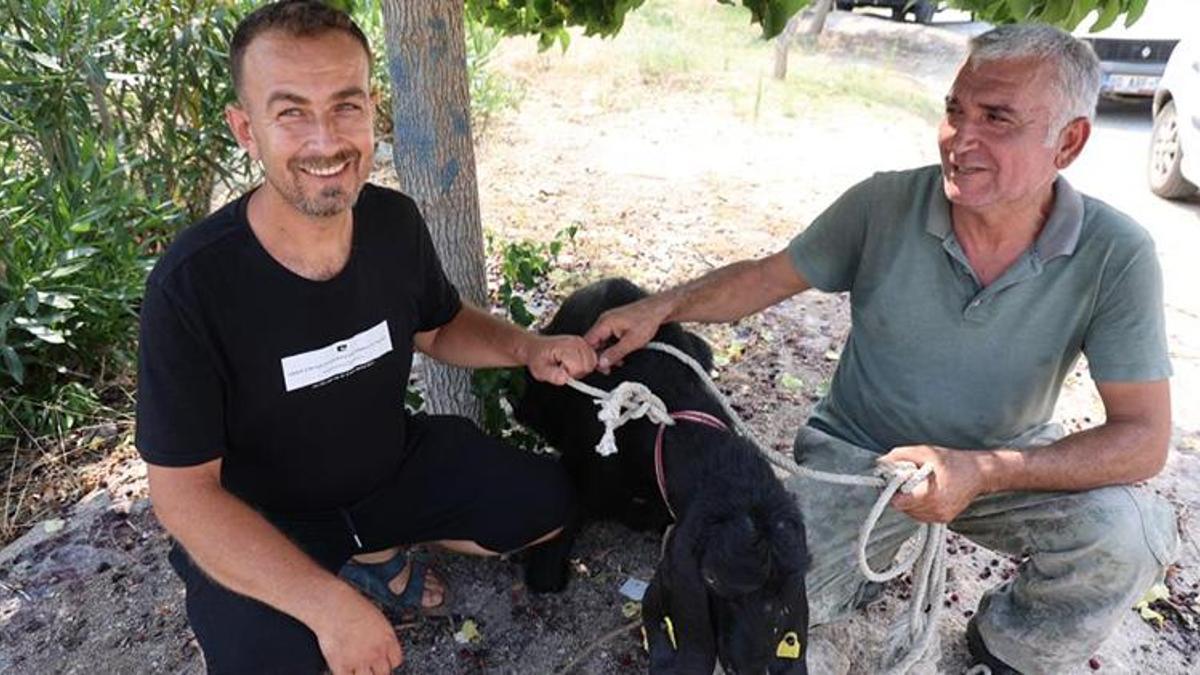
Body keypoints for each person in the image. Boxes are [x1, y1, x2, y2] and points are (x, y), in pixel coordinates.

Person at [584, 24, 1178, 675]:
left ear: (1068, 141)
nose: (960, 139)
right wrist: (658, 307)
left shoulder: (1116, 254)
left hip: (1003, 467)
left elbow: (1142, 439)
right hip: (861, 455)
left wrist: (983, 470)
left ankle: (1009, 644)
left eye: (996, 118)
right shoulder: (885, 203)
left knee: (1127, 536)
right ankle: (866, 570)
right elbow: (765, 277)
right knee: (763, 599)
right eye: (955, 110)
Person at [134, 2, 595, 673]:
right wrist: (324, 604)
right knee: (279, 660)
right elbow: (181, 493)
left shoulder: (393, 222)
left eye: (346, 105)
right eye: (290, 111)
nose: (326, 140)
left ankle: (377, 550)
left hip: (389, 471)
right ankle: (336, 572)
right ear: (246, 129)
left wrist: (527, 347)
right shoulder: (192, 284)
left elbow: (439, 325)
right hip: (266, 516)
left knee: (551, 504)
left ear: (373, 111)